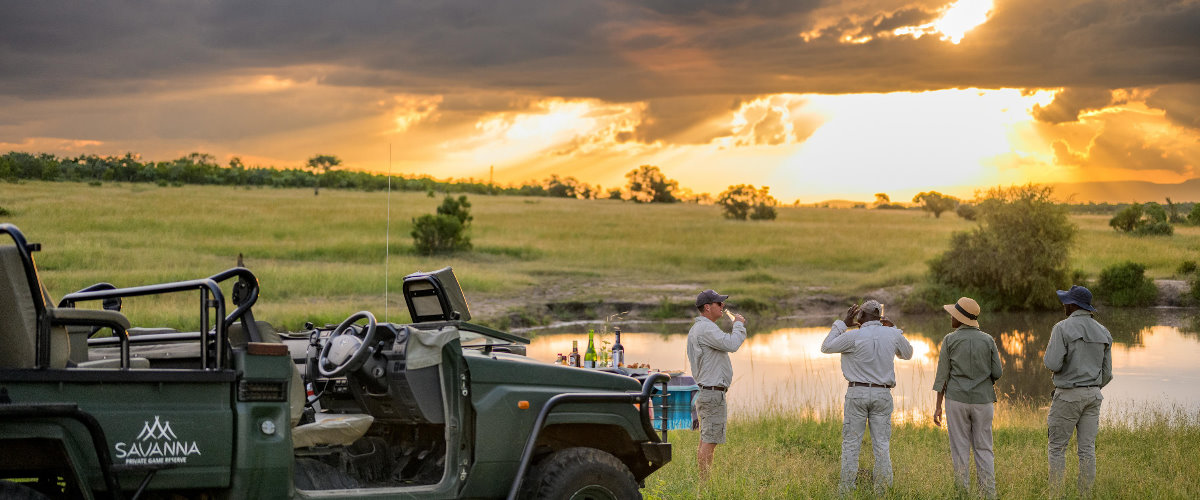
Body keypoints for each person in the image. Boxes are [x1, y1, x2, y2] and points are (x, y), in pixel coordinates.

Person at [821, 300, 913, 495]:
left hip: (857, 393)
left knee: (851, 444)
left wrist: (842, 324)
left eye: (857, 315)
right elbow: (908, 354)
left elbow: (826, 347)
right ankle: (882, 491)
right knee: (881, 444)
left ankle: (846, 491)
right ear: (879, 317)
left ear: (860, 316)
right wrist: (894, 328)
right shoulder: (892, 334)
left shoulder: (853, 336)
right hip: (882, 394)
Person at [932, 297, 1003, 498]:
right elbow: (997, 372)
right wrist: (982, 380)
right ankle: (988, 494)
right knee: (984, 449)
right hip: (983, 401)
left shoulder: (949, 340)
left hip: (956, 401)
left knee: (960, 450)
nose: (950, 318)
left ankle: (962, 495)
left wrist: (938, 406)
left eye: (953, 315)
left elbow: (942, 377)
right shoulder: (988, 340)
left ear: (960, 318)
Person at [1044, 285, 1112, 496]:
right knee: (1087, 450)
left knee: (1056, 448)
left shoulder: (1061, 328)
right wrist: (1090, 386)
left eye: (1066, 301)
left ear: (1073, 305)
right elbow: (1107, 373)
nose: (1063, 305)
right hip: (1093, 396)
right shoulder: (1103, 331)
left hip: (1068, 396)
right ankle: (1085, 495)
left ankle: (1056, 494)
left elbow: (1052, 363)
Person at [686, 289, 747, 480]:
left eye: (722, 303)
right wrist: (738, 325)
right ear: (707, 307)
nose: (723, 306)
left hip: (707, 391)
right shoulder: (706, 328)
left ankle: (703, 483)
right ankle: (704, 485)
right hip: (712, 392)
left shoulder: (702, 328)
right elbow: (732, 344)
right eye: (719, 303)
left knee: (707, 438)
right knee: (710, 440)